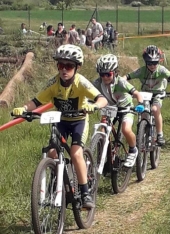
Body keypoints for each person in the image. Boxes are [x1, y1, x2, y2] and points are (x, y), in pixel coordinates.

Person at [12, 44, 108, 208]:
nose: (64, 70)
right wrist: (24, 109)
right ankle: (58, 185)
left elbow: (102, 98)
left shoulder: (81, 83)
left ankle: (85, 193)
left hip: (79, 121)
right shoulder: (53, 83)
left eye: (69, 66)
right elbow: (36, 101)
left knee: (76, 154)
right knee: (52, 152)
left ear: (77, 67)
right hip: (61, 121)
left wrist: (95, 106)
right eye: (61, 65)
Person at [93, 54, 145, 168]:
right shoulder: (97, 83)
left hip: (126, 108)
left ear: (115, 72)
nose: (105, 77)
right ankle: (103, 156)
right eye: (102, 74)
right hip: (110, 108)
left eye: (108, 74)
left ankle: (133, 150)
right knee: (102, 129)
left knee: (126, 129)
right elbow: (87, 95)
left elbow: (136, 93)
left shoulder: (121, 82)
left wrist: (140, 104)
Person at [123, 45, 170, 145]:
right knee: (144, 113)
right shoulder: (142, 71)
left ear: (159, 61)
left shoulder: (161, 70)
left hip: (158, 94)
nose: (153, 66)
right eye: (150, 63)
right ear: (145, 62)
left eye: (155, 63)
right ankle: (143, 133)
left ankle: (159, 134)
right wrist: (121, 84)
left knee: (154, 109)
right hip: (145, 94)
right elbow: (127, 77)